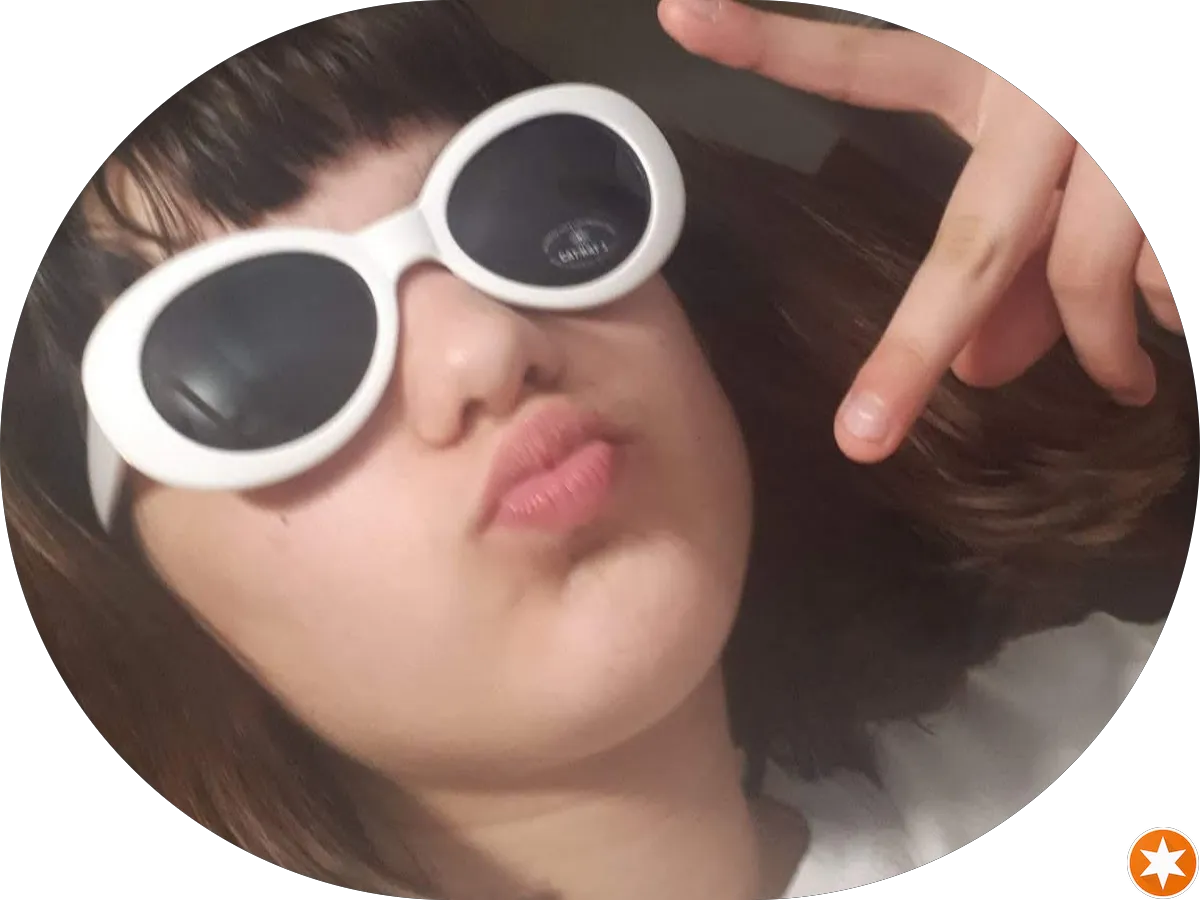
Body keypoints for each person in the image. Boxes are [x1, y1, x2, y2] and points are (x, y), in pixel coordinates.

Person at [2, 3, 1192, 899]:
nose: (485, 344)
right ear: (118, 590)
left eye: (523, 204)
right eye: (254, 345)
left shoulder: (1084, 713)